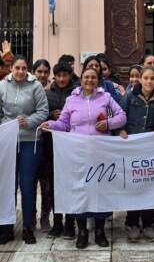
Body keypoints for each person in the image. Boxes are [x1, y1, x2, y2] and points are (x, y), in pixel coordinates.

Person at [43, 64, 126, 249]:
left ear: (98, 80)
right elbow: (64, 124)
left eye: (93, 77)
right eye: (86, 77)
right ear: (81, 80)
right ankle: (82, 231)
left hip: (100, 153)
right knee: (80, 190)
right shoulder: (72, 100)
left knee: (100, 190)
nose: (90, 80)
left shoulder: (106, 97)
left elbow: (122, 116)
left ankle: (99, 230)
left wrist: (108, 123)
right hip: (77, 154)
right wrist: (50, 124)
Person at [0, 57, 50, 245]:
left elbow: (43, 111)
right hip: (8, 141)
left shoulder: (36, 86)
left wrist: (29, 121)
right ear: (11, 68)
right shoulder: (2, 86)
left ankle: (27, 227)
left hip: (30, 141)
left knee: (27, 185)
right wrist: (8, 126)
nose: (20, 71)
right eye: (17, 68)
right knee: (9, 186)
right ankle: (6, 228)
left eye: (24, 68)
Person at [119, 65, 154, 241]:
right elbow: (118, 114)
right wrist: (120, 131)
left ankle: (147, 223)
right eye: (145, 78)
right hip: (131, 148)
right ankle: (131, 222)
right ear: (140, 80)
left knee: (148, 185)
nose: (148, 81)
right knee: (134, 185)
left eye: (152, 79)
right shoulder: (129, 97)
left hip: (149, 151)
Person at [44, 61, 80, 238]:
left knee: (71, 185)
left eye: (64, 75)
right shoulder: (47, 94)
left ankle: (70, 223)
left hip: (72, 146)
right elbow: (41, 113)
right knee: (54, 186)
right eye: (58, 76)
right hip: (51, 146)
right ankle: (57, 222)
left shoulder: (77, 93)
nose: (61, 79)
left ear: (70, 75)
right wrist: (51, 115)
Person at [32, 59, 53, 229]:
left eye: (45, 71)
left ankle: (45, 216)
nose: (42, 75)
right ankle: (31, 215)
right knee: (30, 183)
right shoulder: (28, 88)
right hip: (30, 141)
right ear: (34, 72)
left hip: (48, 143)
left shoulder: (52, 90)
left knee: (46, 185)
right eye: (39, 71)